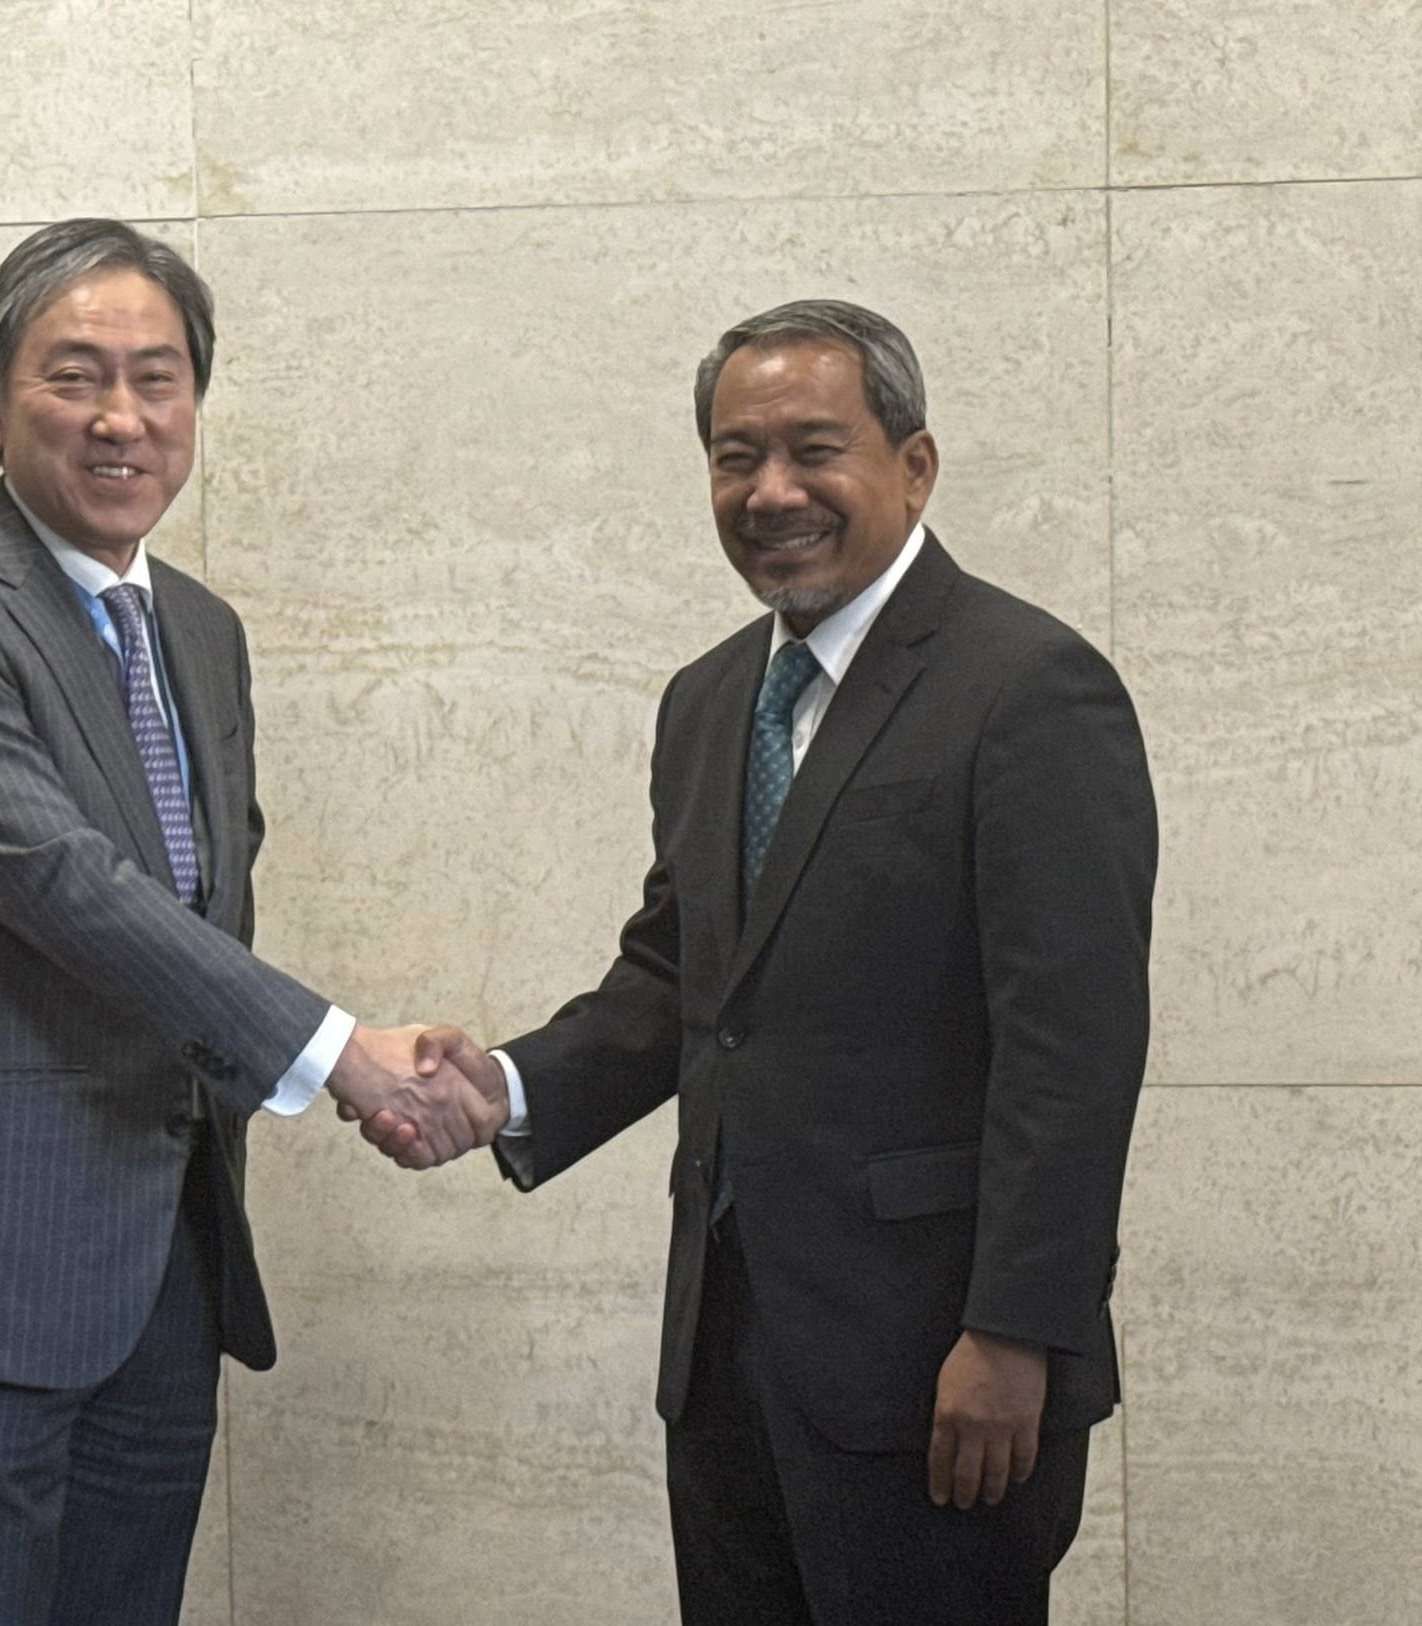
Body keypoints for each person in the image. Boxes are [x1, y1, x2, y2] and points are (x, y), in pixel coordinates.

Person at [363, 299, 1157, 1624]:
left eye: (814, 449)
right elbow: (683, 981)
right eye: (736, 457)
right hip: (726, 1354)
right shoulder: (710, 700)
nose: (771, 490)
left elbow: (1073, 1051)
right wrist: (502, 1088)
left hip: (941, 1365)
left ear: (915, 465)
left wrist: (1018, 1331)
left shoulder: (1030, 689)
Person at [0, 217, 503, 1626]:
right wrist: (342, 1053)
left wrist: (354, 1058)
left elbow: (203, 913)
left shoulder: (198, 629)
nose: (121, 417)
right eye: (74, 377)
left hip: (165, 1271)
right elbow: (69, 887)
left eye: (158, 377)